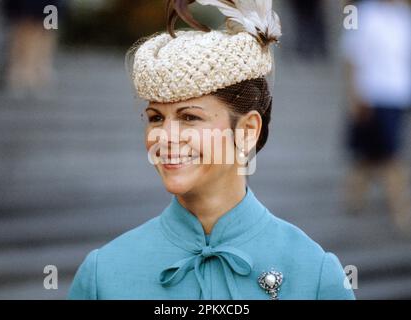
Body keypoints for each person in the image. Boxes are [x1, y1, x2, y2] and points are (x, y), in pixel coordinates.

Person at [68, 0, 355, 300]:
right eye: (155, 118)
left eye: (189, 117)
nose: (165, 137)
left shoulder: (314, 275)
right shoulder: (103, 276)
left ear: (247, 131)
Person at [341, 0, 411, 232]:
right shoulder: (365, 13)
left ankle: (354, 199)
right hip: (372, 95)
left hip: (398, 96)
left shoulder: (403, 16)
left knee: (371, 155)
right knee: (388, 156)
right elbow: (352, 56)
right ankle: (401, 212)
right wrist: (355, 95)